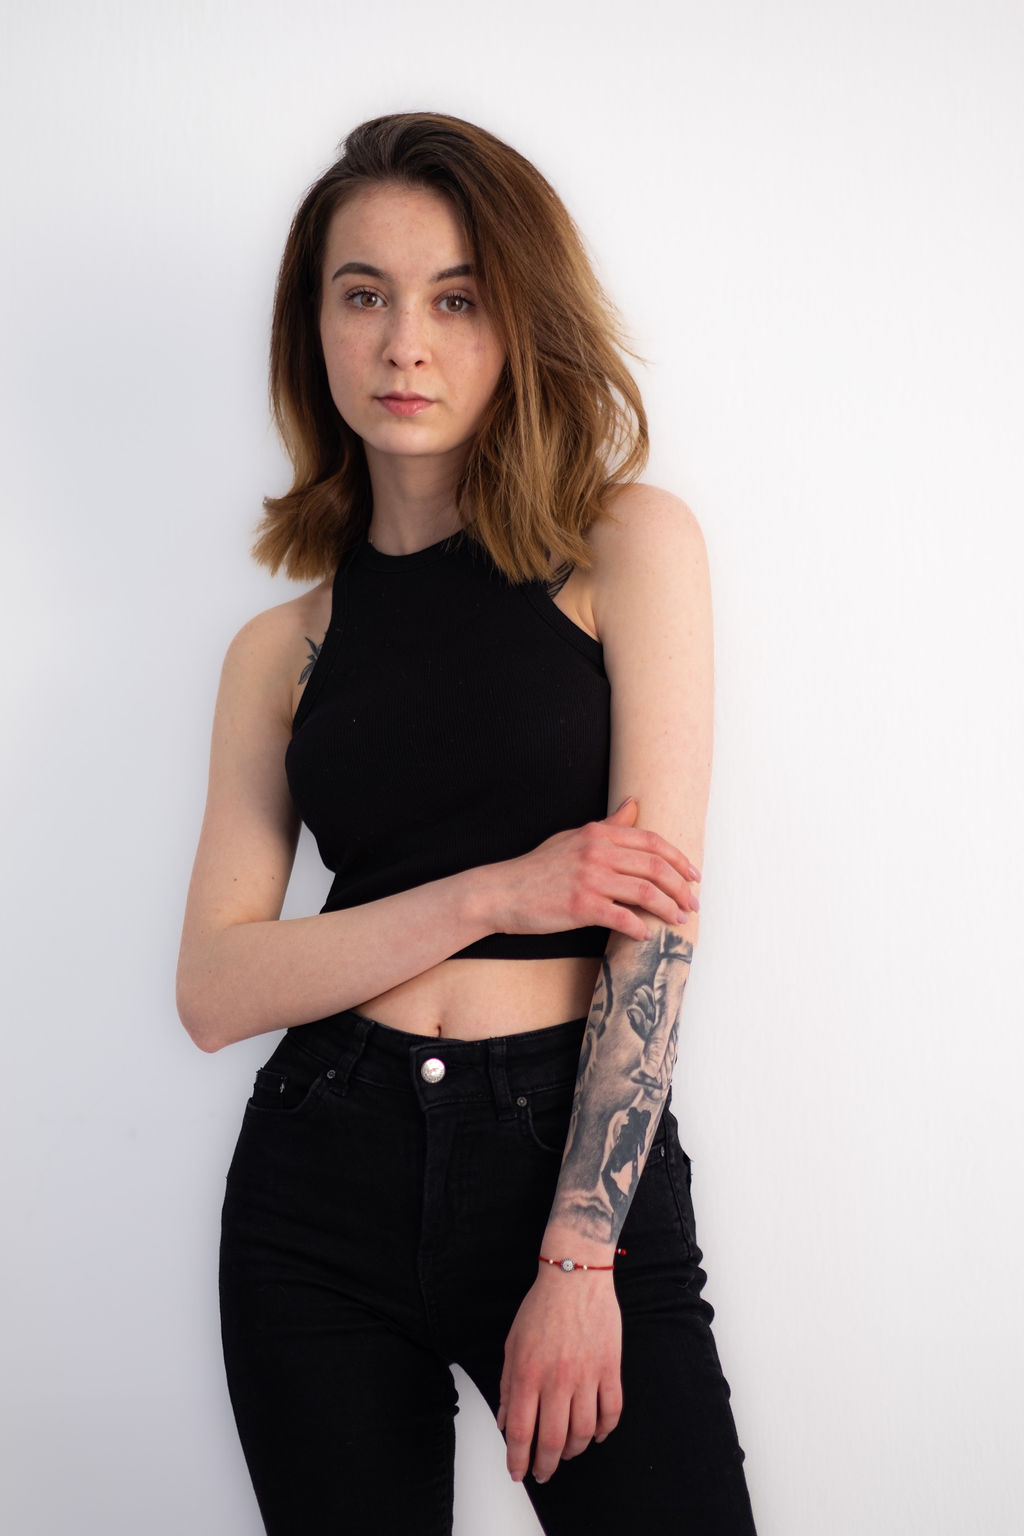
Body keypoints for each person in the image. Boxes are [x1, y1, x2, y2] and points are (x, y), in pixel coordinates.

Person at [177, 111, 757, 1536]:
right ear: (313, 327)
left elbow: (657, 924)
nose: (404, 345)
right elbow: (215, 987)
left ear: (519, 321)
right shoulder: (281, 649)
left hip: (566, 1156)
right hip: (321, 1177)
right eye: (362, 294)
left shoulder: (625, 547)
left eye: (456, 299)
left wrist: (579, 1259)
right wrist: (497, 893)